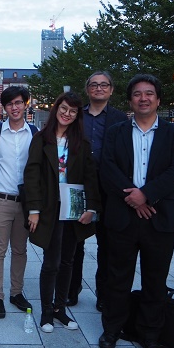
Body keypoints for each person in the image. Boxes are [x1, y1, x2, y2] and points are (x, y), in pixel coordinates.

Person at [98, 74, 174, 348]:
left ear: (158, 100)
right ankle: (112, 328)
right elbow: (107, 167)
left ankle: (151, 334)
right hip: (123, 216)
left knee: (155, 279)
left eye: (149, 93)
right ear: (130, 100)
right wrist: (133, 198)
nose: (144, 98)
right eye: (137, 94)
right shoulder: (116, 132)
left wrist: (146, 195)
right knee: (117, 277)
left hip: (159, 217)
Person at [23, 91, 100, 333]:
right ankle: (46, 310)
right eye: (64, 109)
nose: (67, 114)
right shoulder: (41, 139)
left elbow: (90, 178)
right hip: (49, 207)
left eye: (73, 111)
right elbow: (32, 174)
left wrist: (92, 208)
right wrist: (33, 210)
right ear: (56, 109)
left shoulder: (81, 143)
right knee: (51, 261)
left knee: (68, 260)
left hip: (73, 207)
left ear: (78, 116)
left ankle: (60, 309)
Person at [68, 72, 127, 310]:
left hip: (109, 189)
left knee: (108, 244)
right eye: (94, 84)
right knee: (75, 242)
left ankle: (104, 292)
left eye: (104, 85)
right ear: (87, 89)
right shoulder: (76, 117)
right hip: (79, 188)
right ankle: (71, 289)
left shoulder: (121, 119)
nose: (99, 88)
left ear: (111, 90)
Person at [0, 86, 36, 319]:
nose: (14, 108)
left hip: (24, 202)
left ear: (25, 104)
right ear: (4, 107)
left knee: (20, 249)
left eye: (18, 103)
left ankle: (16, 292)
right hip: (0, 199)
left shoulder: (34, 133)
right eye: (9, 104)